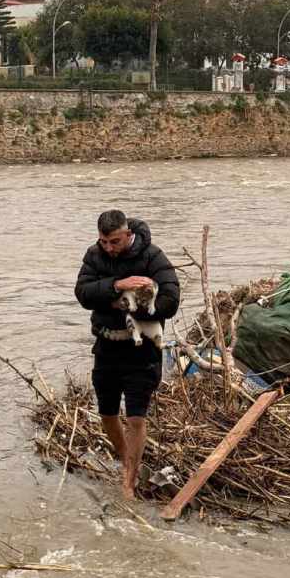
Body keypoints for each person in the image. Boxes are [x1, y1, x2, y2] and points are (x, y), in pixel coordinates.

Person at [75, 210, 180, 500]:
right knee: (107, 414)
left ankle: (128, 483)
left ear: (128, 234)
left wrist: (136, 307)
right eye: (104, 242)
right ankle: (128, 463)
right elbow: (83, 293)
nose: (109, 248)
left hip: (142, 350)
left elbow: (171, 301)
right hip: (106, 346)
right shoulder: (94, 255)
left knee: (135, 418)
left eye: (115, 242)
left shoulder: (153, 256)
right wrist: (117, 286)